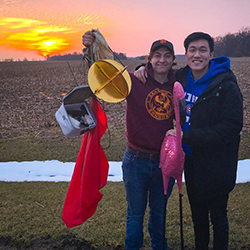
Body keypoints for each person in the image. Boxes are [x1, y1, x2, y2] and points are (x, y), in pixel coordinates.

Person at [134, 32, 243, 250]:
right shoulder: (182, 78)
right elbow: (159, 70)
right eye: (192, 50)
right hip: (191, 162)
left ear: (211, 54)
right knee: (197, 216)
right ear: (185, 54)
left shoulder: (226, 85)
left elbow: (230, 129)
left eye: (203, 50)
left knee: (218, 218)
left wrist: (187, 136)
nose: (197, 55)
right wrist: (141, 68)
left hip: (217, 164)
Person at [83, 31, 176, 250]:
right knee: (135, 215)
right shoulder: (133, 80)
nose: (162, 60)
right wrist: (89, 49)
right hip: (136, 160)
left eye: (167, 55)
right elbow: (101, 77)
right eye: (157, 55)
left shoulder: (178, 82)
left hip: (165, 162)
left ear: (173, 60)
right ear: (149, 59)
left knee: (159, 215)